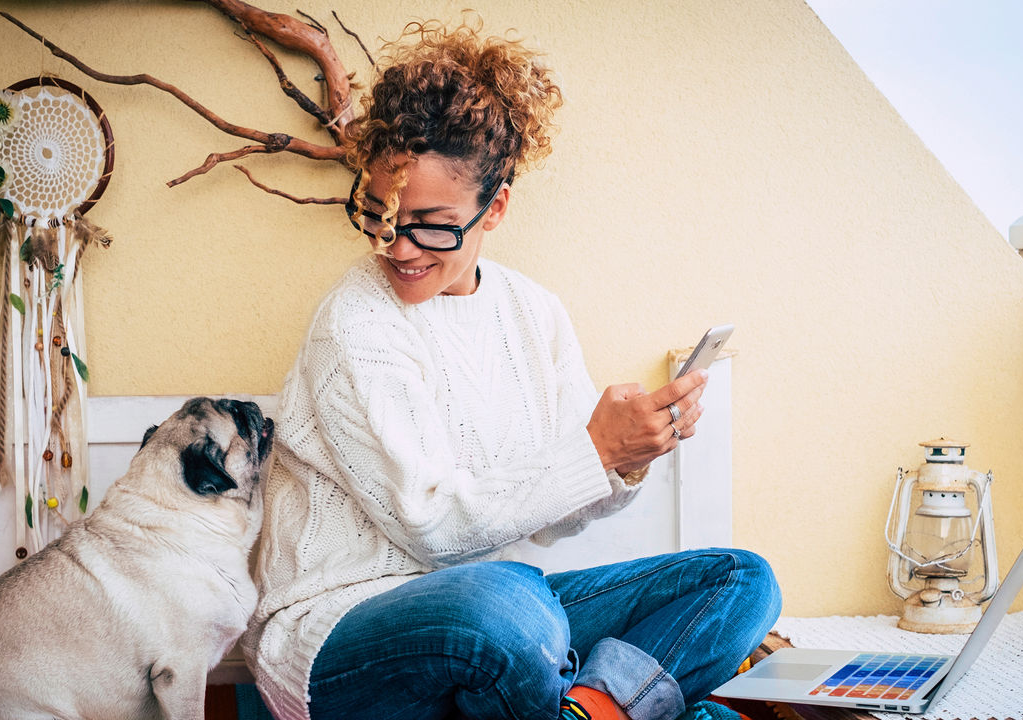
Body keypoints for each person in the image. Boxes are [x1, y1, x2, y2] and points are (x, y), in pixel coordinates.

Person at [243, 19, 781, 720]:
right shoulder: (354, 323)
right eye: (378, 214)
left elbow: (558, 515)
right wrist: (594, 449)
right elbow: (429, 530)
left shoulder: (535, 313)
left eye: (429, 222)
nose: (396, 246)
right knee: (508, 604)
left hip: (500, 621)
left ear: (493, 209)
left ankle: (589, 708)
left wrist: (628, 456)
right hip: (341, 635)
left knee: (740, 582)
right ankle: (627, 701)